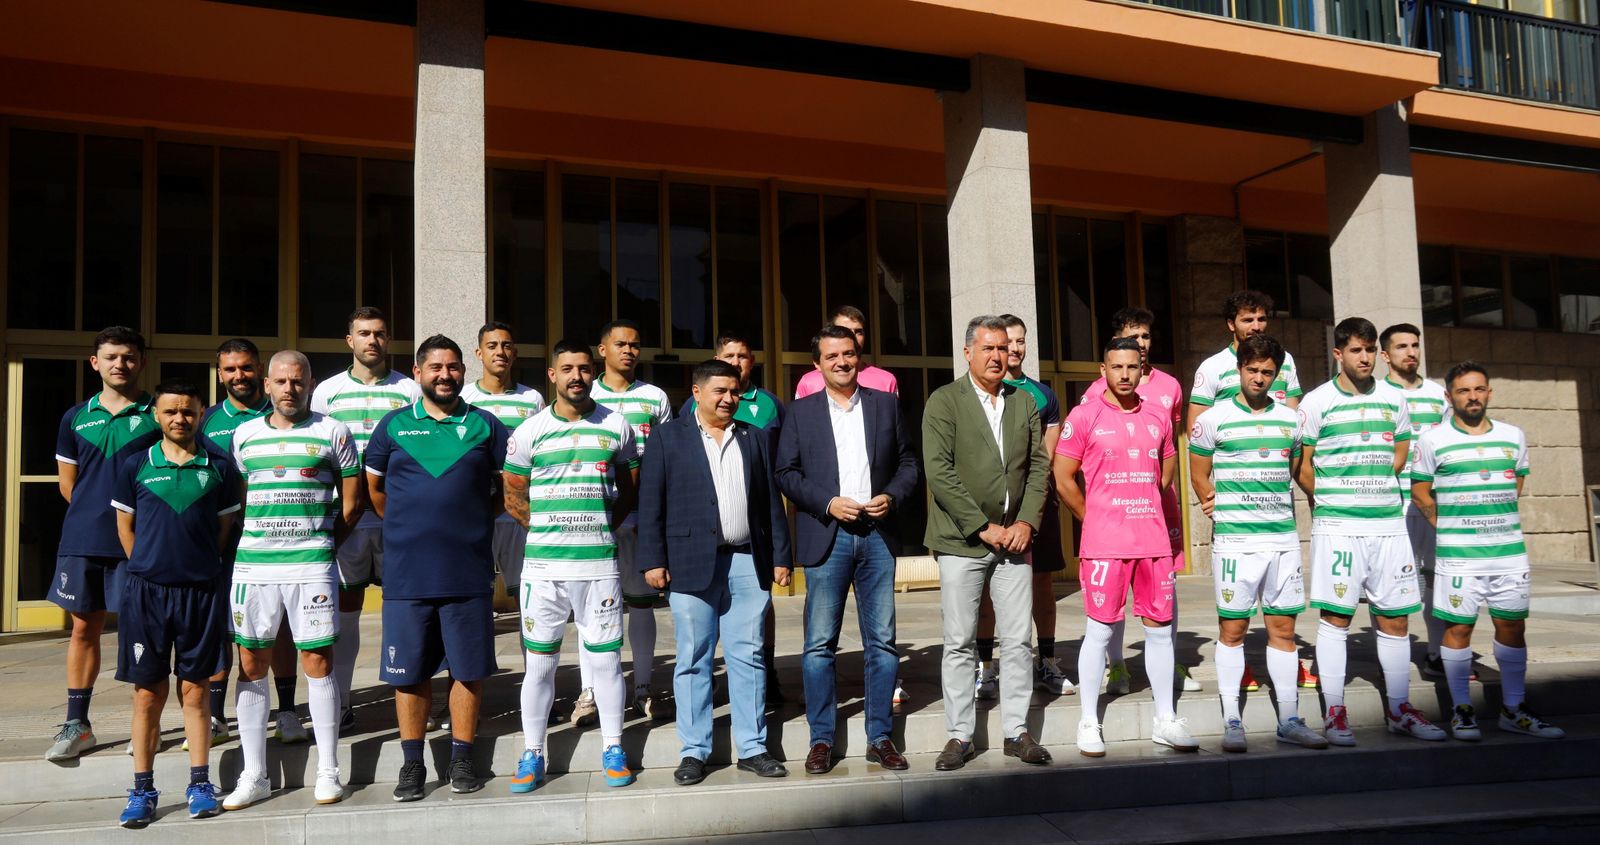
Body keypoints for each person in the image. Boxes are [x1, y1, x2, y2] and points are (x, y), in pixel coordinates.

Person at [365, 335, 510, 800]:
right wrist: (415, 528)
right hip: (407, 574)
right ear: (417, 371)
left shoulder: (485, 425)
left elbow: (503, 492)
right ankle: (412, 764)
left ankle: (462, 757)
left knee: (467, 671)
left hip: (468, 571)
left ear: (463, 372)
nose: (445, 375)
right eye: (435, 367)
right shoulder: (392, 427)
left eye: (453, 367)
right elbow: (377, 493)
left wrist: (464, 525)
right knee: (408, 673)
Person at [637, 358, 794, 786]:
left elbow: (769, 506)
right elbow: (651, 504)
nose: (729, 399)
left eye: (734, 392)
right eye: (720, 391)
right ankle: (694, 751)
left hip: (747, 561)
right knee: (693, 658)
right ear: (696, 392)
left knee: (749, 656)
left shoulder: (756, 439)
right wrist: (652, 559)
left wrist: (781, 555)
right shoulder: (668, 439)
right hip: (689, 563)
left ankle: (753, 747)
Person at [776, 325, 919, 775]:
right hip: (827, 535)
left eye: (849, 353)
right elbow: (786, 472)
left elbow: (910, 463)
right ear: (816, 365)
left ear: (860, 357)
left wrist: (892, 496)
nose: (842, 362)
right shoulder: (800, 413)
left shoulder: (886, 405)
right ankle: (821, 739)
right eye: (831, 356)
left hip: (878, 535)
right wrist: (826, 501)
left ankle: (880, 737)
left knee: (883, 642)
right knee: (819, 645)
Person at [502, 339, 639, 794]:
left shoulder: (617, 426)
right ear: (552, 375)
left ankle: (613, 748)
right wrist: (550, 531)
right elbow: (513, 495)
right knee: (539, 667)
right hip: (544, 571)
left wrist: (596, 526)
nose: (576, 376)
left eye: (583, 368)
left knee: (607, 665)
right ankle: (533, 752)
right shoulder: (529, 430)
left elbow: (627, 487)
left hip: (599, 568)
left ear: (592, 372)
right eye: (567, 369)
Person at [1299, 317, 1444, 746]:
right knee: (1337, 617)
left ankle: (1399, 708)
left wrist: (1376, 485)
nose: (1364, 358)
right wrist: (1330, 497)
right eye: (1355, 350)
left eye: (1368, 350)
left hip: (1387, 524)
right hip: (1339, 527)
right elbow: (1302, 466)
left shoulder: (1393, 398)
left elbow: (1401, 449)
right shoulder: (1316, 401)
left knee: (1396, 618)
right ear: (1338, 353)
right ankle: (1335, 711)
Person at [225, 350, 361, 810]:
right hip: (255, 567)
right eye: (281, 382)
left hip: (312, 566)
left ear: (310, 383)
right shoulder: (244, 435)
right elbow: (242, 501)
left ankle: (329, 770)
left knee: (317, 663)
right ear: (267, 385)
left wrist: (323, 545)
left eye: (298, 382)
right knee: (250, 665)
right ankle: (254, 774)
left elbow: (351, 504)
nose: (289, 389)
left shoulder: (333, 431)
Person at [1188, 335, 1328, 753]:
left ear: (1277, 374)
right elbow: (1199, 472)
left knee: (1283, 629)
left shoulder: (1292, 419)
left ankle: (1289, 718)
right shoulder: (1213, 418)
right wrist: (1213, 505)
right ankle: (1232, 718)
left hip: (1281, 539)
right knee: (1232, 630)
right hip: (1235, 544)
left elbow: (1295, 468)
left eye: (1268, 372)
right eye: (1253, 370)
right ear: (1239, 371)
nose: (1259, 378)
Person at [1411, 362, 1564, 742]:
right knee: (1458, 629)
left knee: (1512, 627)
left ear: (1489, 392)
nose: (1473, 397)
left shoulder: (1513, 435)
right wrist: (1447, 526)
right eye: (1463, 391)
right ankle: (1462, 709)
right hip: (1459, 557)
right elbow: (1419, 491)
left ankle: (1514, 709)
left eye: (1479, 389)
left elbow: (1518, 479)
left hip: (1508, 554)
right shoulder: (1432, 440)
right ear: (1449, 397)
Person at [1057, 337, 1196, 757]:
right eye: (1115, 367)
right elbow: (1063, 478)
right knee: (1099, 631)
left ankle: (1165, 719)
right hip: (1105, 545)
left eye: (1131, 367)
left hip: (1152, 542)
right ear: (1103, 370)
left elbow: (1166, 472)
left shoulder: (1157, 416)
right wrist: (1095, 517)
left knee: (1159, 632)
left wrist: (1143, 508)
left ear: (1142, 369)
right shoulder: (1084, 416)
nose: (1124, 374)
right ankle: (1088, 721)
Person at [924, 316, 1052, 771]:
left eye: (1003, 348)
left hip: (1015, 541)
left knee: (1018, 640)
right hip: (963, 541)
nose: (997, 356)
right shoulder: (944, 401)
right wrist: (982, 526)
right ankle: (960, 735)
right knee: (959, 641)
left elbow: (1039, 468)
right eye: (988, 348)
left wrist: (1027, 523)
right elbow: (939, 472)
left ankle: (1017, 731)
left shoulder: (1024, 403)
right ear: (968, 353)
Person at [111, 381, 240, 827]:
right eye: (170, 412)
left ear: (201, 413)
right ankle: (142, 790)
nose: (180, 419)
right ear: (156, 416)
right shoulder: (133, 466)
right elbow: (125, 529)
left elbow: (224, 534)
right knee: (147, 693)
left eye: (188, 411)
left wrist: (194, 568)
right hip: (147, 595)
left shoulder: (220, 467)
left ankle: (200, 783)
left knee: (196, 689)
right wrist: (151, 568)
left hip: (201, 594)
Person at [46, 326, 161, 763]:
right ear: (95, 363)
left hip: (141, 544)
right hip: (83, 541)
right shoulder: (76, 417)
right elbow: (68, 486)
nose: (120, 364)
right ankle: (78, 723)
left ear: (141, 362)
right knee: (82, 629)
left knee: (142, 633)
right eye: (111, 357)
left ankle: (143, 725)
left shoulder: (158, 415)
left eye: (129, 357)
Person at [1083, 308, 1207, 695]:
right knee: (1113, 598)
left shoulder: (1169, 385)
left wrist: (1156, 490)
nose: (1142, 343)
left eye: (1147, 336)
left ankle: (1170, 662)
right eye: (1134, 335)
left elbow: (1169, 448)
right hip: (1115, 517)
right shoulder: (1095, 391)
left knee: (1163, 589)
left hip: (1156, 509)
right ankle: (1117, 665)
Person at [310, 306, 421, 730]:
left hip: (397, 518)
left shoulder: (409, 390)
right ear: (349, 341)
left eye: (379, 333)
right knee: (346, 611)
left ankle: (411, 698)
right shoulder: (328, 392)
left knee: (404, 611)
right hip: (347, 517)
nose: (371, 340)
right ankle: (340, 702)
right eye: (363, 333)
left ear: (388, 340)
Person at [197, 338, 307, 749]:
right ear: (220, 373)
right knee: (223, 627)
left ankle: (288, 711)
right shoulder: (207, 420)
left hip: (277, 542)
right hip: (223, 541)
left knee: (276, 630)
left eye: (245, 368)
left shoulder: (282, 410)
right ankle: (214, 714)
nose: (238, 376)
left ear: (260, 372)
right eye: (230, 369)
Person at [680, 331, 788, 703]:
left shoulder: (769, 405)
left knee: (754, 626)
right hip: (702, 543)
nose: (736, 361)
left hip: (751, 535)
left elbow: (779, 469)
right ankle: (705, 688)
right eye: (729, 354)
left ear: (752, 362)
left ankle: (767, 676)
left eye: (743, 355)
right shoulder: (688, 412)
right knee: (698, 635)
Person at [971, 314, 1073, 700]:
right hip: (993, 508)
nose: (1013, 349)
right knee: (985, 587)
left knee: (1041, 581)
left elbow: (1044, 457)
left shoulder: (1042, 394)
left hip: (1035, 504)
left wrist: (1030, 503)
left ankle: (1045, 659)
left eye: (1020, 342)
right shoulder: (979, 393)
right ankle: (985, 666)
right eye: (1006, 342)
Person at [591, 319, 674, 722]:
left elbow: (665, 455)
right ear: (602, 350)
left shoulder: (655, 397)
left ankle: (643, 687)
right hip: (593, 517)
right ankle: (591, 692)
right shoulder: (585, 393)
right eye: (620, 343)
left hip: (643, 516)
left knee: (642, 605)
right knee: (596, 610)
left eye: (635, 344)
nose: (629, 350)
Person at [1379, 323, 1452, 678]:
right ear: (1385, 355)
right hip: (1393, 505)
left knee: (1438, 577)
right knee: (1393, 583)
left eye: (1415, 345)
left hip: (1432, 503)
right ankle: (1392, 658)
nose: (1410, 352)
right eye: (1401, 347)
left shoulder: (1439, 395)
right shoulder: (1378, 393)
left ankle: (1436, 653)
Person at [461, 321, 546, 605]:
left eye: (507, 345)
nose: (500, 351)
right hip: (478, 508)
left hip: (519, 511)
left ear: (515, 353)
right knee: (476, 593)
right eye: (492, 345)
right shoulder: (465, 398)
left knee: (527, 597)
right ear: (478, 353)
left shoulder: (532, 399)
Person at [793, 305, 898, 399]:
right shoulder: (808, 382)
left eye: (858, 332)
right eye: (845, 331)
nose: (853, 337)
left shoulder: (886, 380)